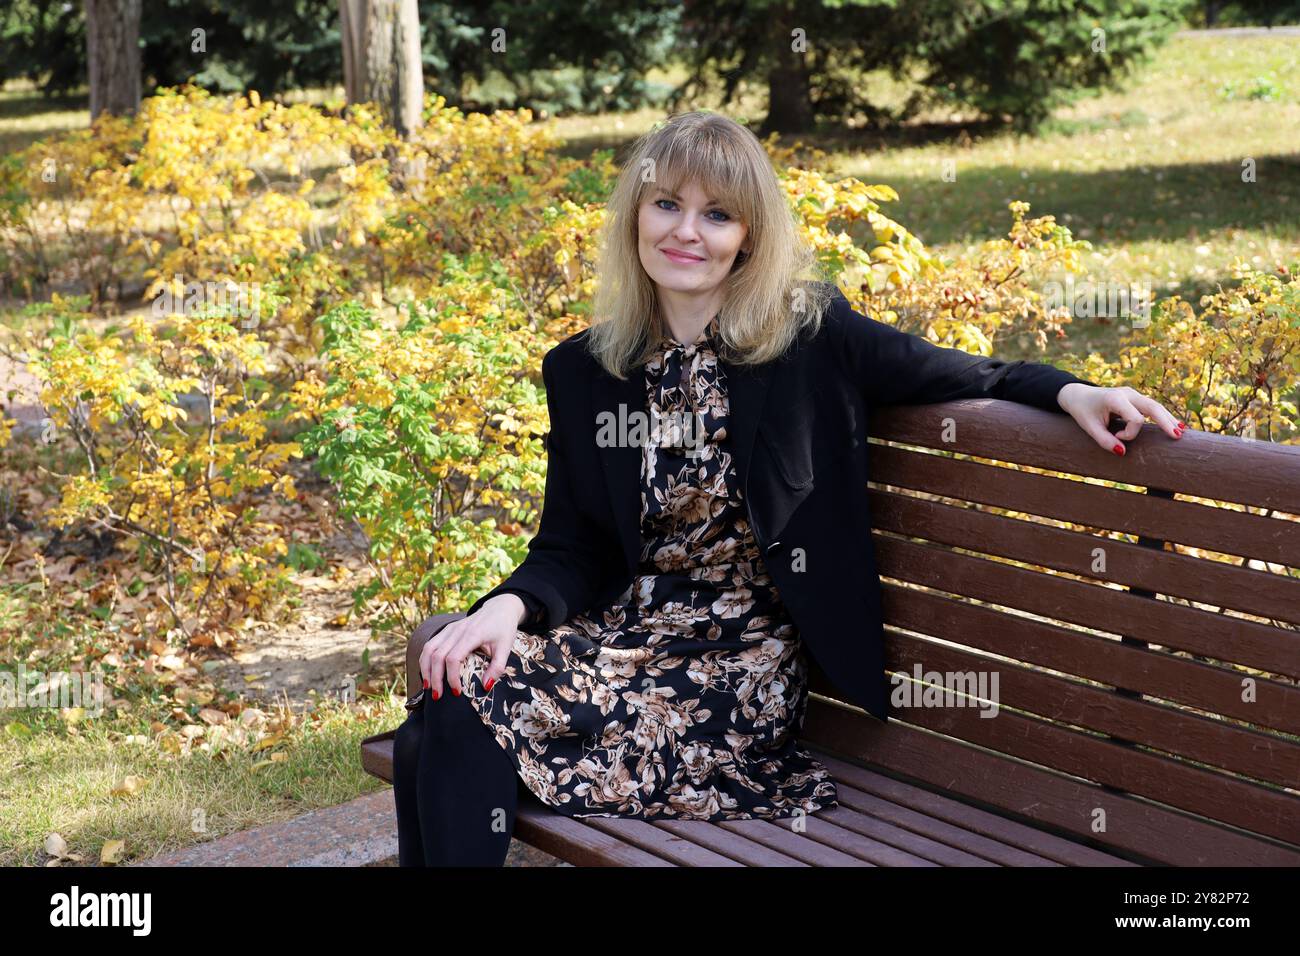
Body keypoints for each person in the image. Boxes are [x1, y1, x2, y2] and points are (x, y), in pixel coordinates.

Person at [392, 111, 1185, 867]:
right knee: (451, 691)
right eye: (667, 204)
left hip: (741, 666)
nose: (686, 232)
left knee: (449, 719)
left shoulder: (808, 335)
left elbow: (963, 370)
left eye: (717, 215)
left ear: (748, 238)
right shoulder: (585, 368)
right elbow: (574, 544)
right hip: (625, 640)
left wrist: (1069, 391)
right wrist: (503, 610)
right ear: (636, 213)